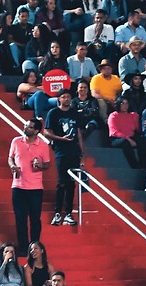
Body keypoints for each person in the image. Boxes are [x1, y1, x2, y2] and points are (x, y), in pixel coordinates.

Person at [8, 117, 52, 253]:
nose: (25, 127)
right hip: (18, 186)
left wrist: (40, 165)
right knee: (20, 218)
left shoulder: (43, 145)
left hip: (35, 188)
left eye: (30, 126)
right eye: (26, 125)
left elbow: (47, 164)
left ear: (37, 131)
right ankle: (22, 246)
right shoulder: (16, 141)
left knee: (35, 219)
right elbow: (10, 157)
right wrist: (13, 166)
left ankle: (35, 246)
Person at [44, 87, 82, 226]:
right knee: (61, 183)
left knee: (71, 184)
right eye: (63, 97)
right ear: (59, 99)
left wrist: (81, 152)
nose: (66, 99)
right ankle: (58, 212)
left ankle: (69, 213)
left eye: (68, 97)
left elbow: (78, 134)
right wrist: (60, 138)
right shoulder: (53, 113)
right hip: (61, 151)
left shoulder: (74, 113)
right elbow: (46, 132)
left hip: (74, 152)